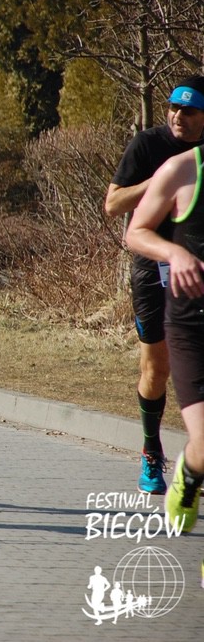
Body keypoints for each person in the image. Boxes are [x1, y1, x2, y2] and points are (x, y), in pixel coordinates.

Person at [106, 75, 204, 494]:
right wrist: (160, 180)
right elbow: (113, 204)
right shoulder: (147, 146)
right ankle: (151, 450)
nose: (178, 116)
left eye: (189, 111)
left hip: (197, 272)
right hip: (153, 269)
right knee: (157, 368)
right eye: (173, 108)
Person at [125, 138, 204, 546]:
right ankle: (181, 467)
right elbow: (132, 227)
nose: (179, 115)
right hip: (190, 321)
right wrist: (176, 254)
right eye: (174, 108)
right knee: (203, 444)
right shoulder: (179, 166)